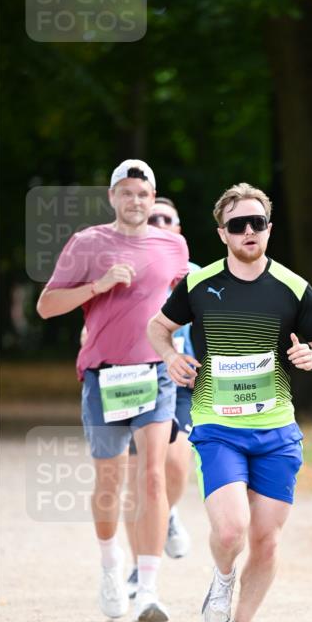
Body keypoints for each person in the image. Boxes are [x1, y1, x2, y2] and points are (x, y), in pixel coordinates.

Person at [147, 182, 312, 622]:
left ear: (269, 229)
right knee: (232, 530)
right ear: (223, 233)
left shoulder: (293, 288)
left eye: (257, 223)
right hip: (216, 424)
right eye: (238, 224)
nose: (249, 231)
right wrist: (170, 357)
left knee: (267, 539)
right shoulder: (199, 285)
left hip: (276, 430)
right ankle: (222, 576)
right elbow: (158, 327)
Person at [37, 159, 189, 622]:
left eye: (143, 193)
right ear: (112, 197)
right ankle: (110, 565)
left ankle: (148, 589)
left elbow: (185, 302)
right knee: (110, 483)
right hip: (106, 376)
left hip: (154, 374)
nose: (135, 201)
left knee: (154, 477)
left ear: (152, 197)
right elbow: (45, 307)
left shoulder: (174, 246)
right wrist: (98, 286)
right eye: (127, 192)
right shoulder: (88, 243)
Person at [123, 197, 198, 598]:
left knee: (174, 464)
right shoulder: (127, 272)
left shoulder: (199, 276)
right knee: (138, 480)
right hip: (136, 379)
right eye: (153, 218)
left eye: (168, 217)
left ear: (179, 229)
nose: (159, 223)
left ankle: (166, 513)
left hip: (184, 382)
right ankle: (138, 569)